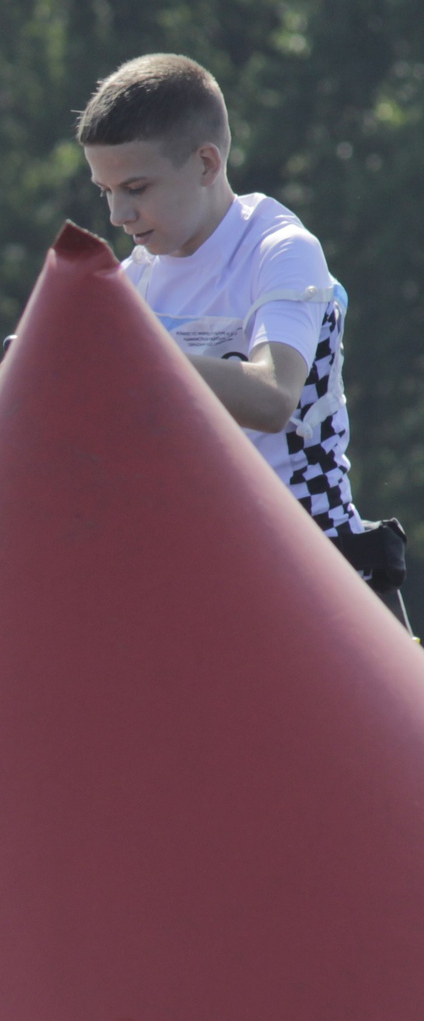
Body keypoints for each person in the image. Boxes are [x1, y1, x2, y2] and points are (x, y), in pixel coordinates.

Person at [77, 52, 408, 625]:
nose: (117, 213)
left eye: (135, 186)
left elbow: (273, 398)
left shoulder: (280, 250)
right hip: (198, 580)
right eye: (105, 190)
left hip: (316, 572)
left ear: (206, 162)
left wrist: (127, 354)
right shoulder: (133, 281)